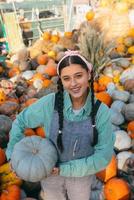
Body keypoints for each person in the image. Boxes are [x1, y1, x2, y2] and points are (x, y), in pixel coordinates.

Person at [6, 50, 115, 200]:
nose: (74, 83)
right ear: (61, 81)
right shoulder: (50, 103)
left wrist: (65, 169)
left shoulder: (101, 112)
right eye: (66, 78)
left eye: (78, 76)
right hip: (49, 174)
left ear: (89, 75)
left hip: (81, 176)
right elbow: (20, 121)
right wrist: (12, 153)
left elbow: (103, 156)